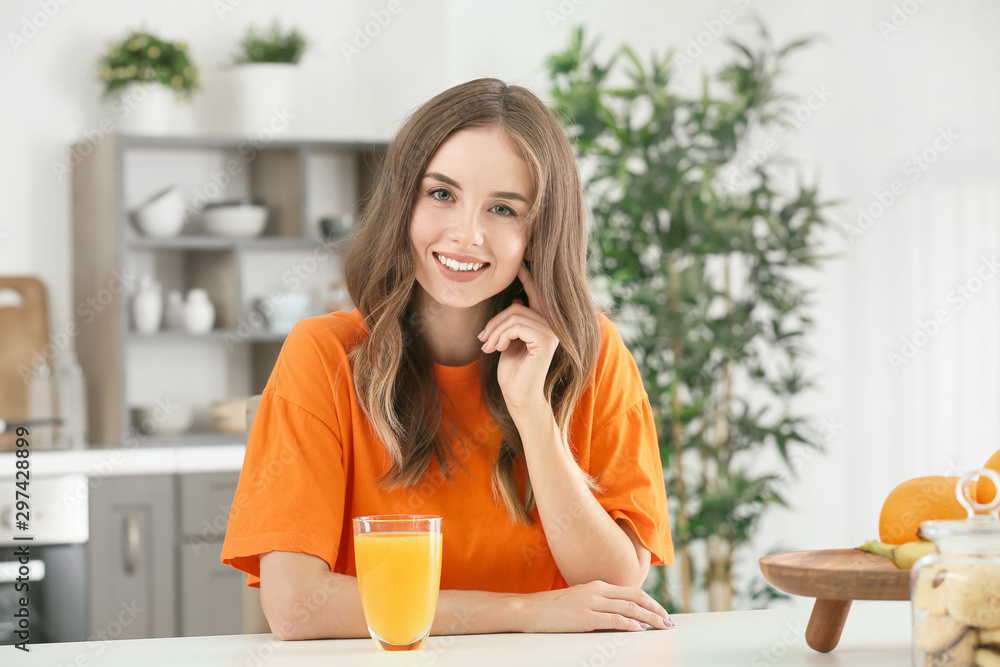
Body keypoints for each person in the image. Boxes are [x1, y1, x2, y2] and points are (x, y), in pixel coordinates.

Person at [221, 77, 674, 639]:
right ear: (403, 201)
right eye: (442, 194)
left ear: (542, 231)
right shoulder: (324, 356)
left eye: (504, 208)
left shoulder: (593, 355)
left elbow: (615, 586)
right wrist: (525, 614)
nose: (467, 234)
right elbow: (296, 606)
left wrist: (534, 414)